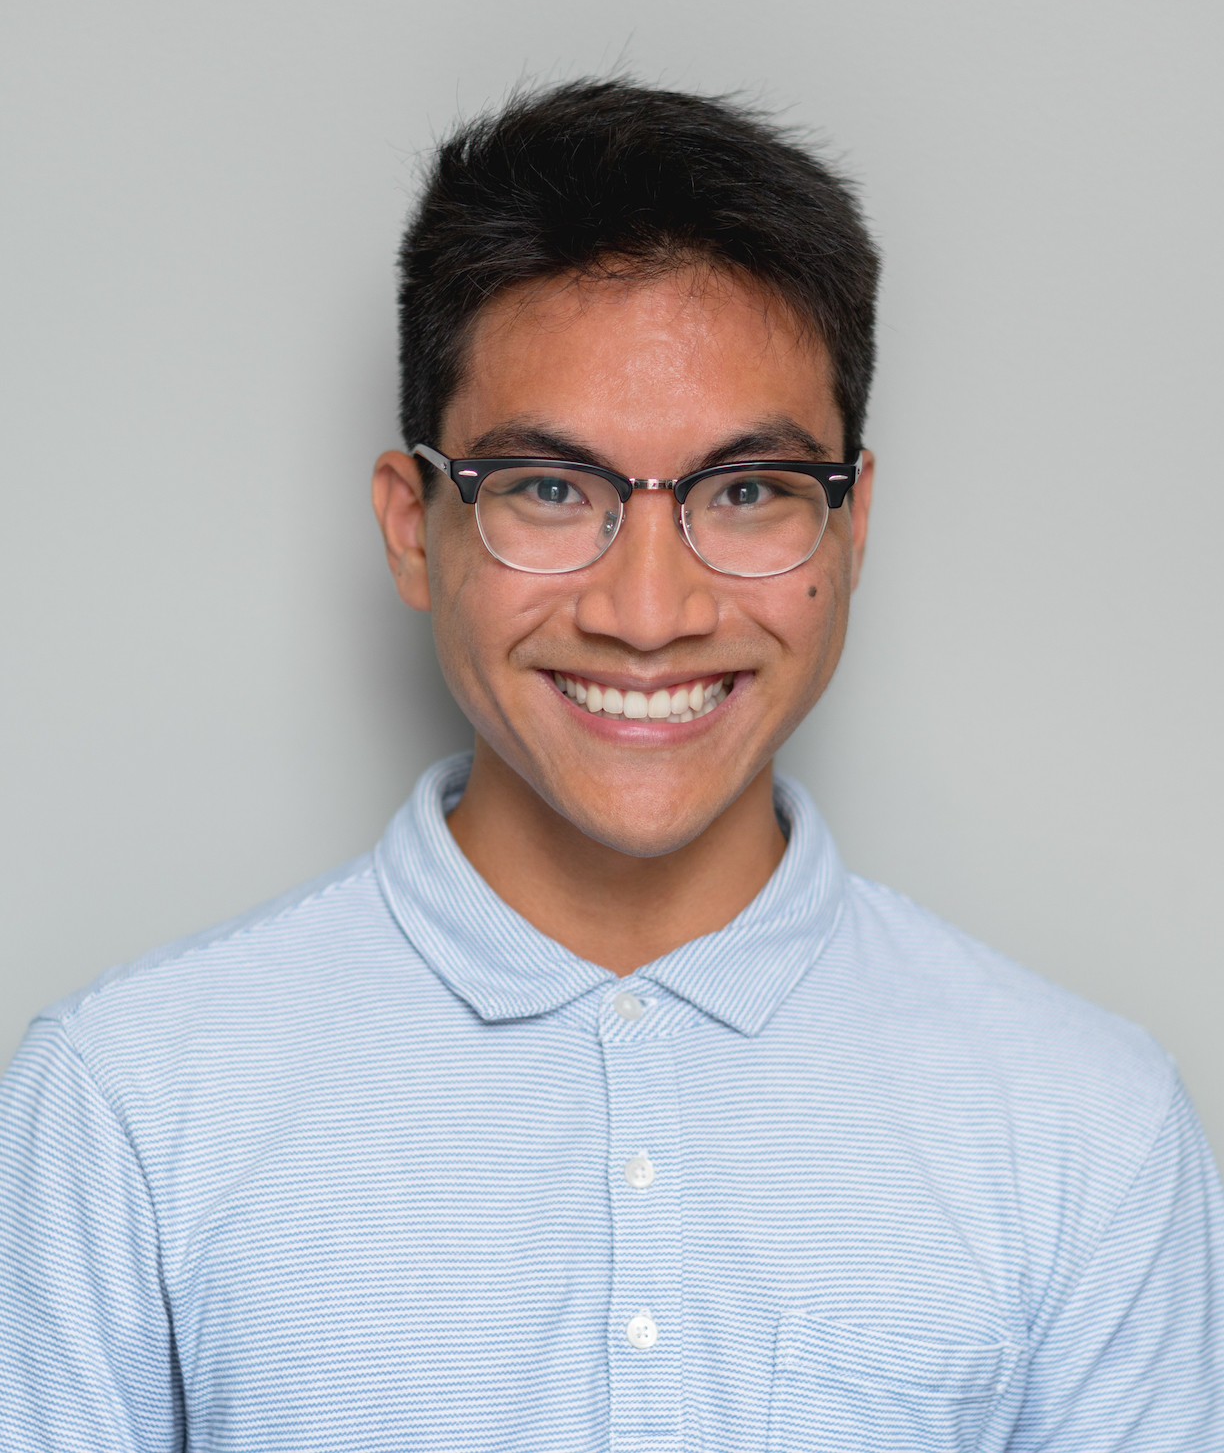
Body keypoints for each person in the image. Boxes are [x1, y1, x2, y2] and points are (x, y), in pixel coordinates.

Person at [1, 79, 1220, 1451]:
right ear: (411, 528)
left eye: (747, 491)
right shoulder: (127, 1099)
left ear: (852, 527)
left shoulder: (1087, 1126)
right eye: (548, 489)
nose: (648, 612)